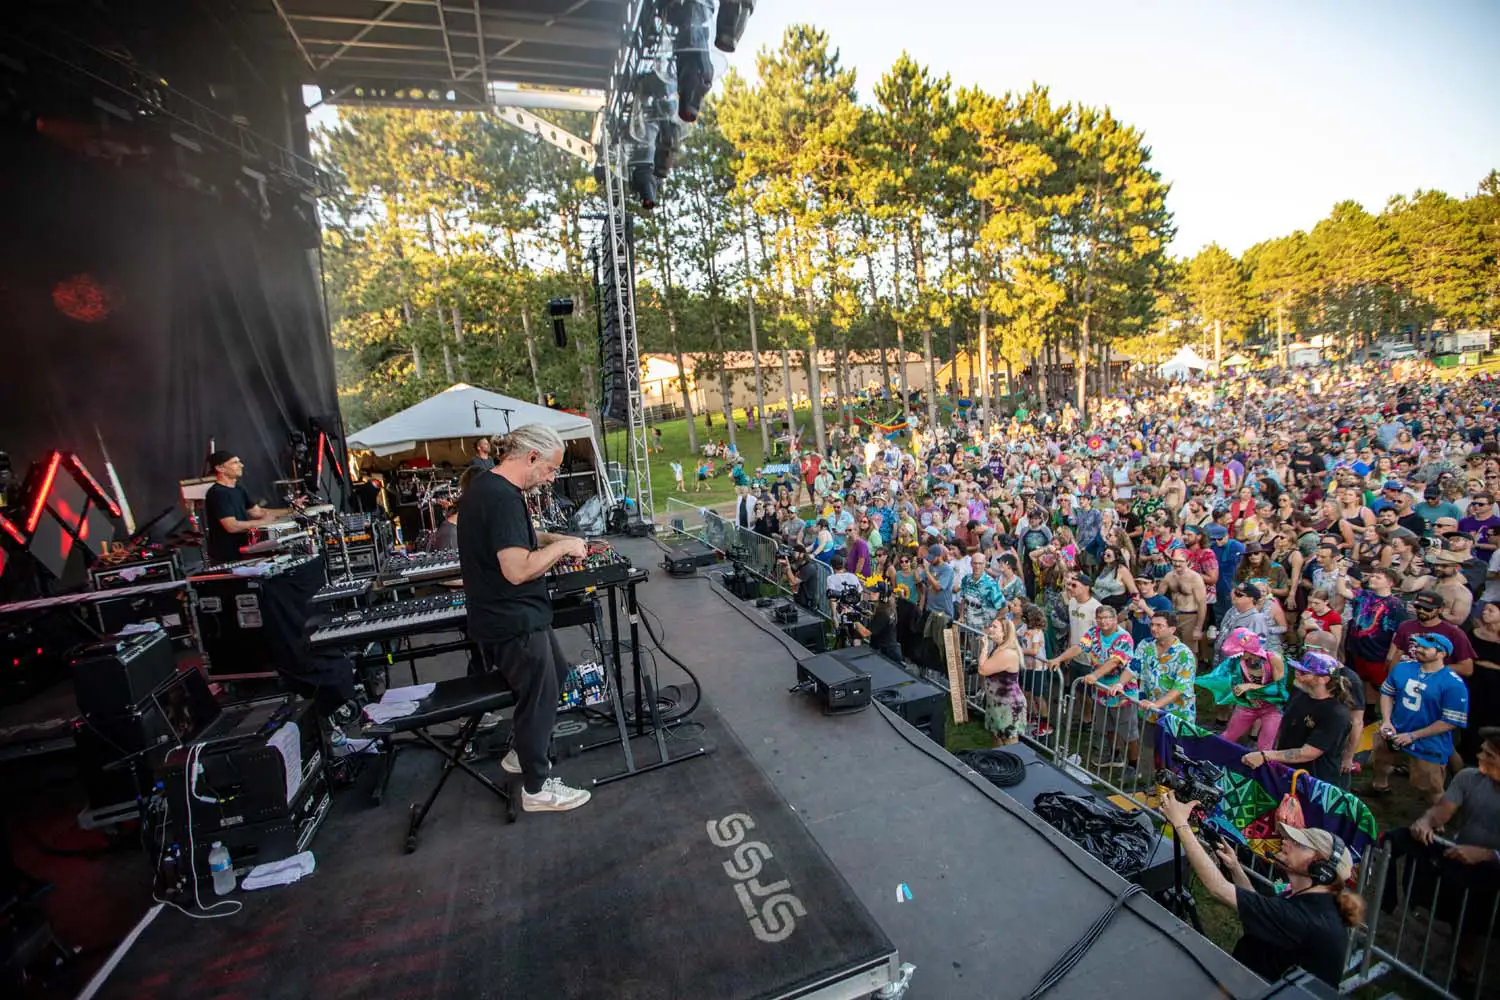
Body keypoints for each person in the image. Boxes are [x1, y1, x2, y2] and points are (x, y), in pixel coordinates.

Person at [457, 424, 591, 813]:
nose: (551, 477)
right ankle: (537, 787)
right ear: (531, 457)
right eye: (550, 469)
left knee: (559, 675)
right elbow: (517, 569)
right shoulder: (502, 498)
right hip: (511, 618)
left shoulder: (486, 486)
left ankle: (521, 751)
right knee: (539, 694)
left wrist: (548, 538)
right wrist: (564, 545)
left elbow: (515, 536)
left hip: (514, 614)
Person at [1159, 791, 1365, 988]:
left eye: (1298, 844)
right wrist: (1235, 868)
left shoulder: (1303, 918)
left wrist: (1180, 824)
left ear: (1321, 869)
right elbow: (1263, 909)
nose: (1286, 843)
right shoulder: (1314, 903)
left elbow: (1219, 889)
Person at [1382, 727, 1500, 992]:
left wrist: (1488, 855)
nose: (1479, 754)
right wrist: (1425, 822)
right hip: (1468, 870)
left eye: (1488, 753)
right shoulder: (1469, 778)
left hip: (1492, 871)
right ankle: (1463, 969)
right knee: (1466, 920)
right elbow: (1441, 810)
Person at [1372, 633, 1470, 803]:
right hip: (1395, 729)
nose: (1418, 650)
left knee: (1431, 785)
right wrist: (1387, 721)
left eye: (1425, 647)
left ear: (1441, 654)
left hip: (1428, 741)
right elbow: (1387, 693)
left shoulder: (1453, 684)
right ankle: (1379, 787)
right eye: (1418, 646)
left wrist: (1414, 736)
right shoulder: (1402, 668)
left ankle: (1436, 823)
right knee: (1381, 761)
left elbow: (1450, 721)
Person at [1243, 651, 1354, 787]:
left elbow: (1307, 753)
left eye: (1304, 672)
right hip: (1287, 773)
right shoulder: (1300, 693)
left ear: (1324, 679)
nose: (1297, 673)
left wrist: (1266, 756)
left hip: (1314, 783)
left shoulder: (1336, 714)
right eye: (1297, 669)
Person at [203, 449, 299, 562]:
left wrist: (292, 510)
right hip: (227, 555)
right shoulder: (218, 493)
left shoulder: (238, 489)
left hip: (243, 550)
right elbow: (231, 526)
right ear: (220, 468)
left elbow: (257, 512)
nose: (241, 465)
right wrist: (263, 522)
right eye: (235, 463)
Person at [979, 617, 1027, 745]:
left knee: (1010, 743)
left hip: (1008, 706)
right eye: (991, 626)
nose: (990, 629)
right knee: (996, 737)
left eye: (995, 627)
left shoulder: (1007, 653)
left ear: (1005, 633)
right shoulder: (998, 648)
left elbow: (983, 669)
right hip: (996, 703)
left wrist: (984, 648)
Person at [779, 544, 821, 610]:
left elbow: (793, 581)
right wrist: (785, 568)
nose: (792, 554)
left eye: (794, 552)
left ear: (801, 554)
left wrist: (788, 567)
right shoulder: (797, 564)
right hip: (799, 598)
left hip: (808, 602)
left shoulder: (809, 567)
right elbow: (784, 579)